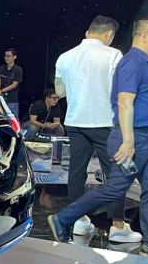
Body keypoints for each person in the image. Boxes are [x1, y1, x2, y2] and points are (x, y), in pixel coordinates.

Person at [49, 16, 148, 258]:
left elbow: (60, 90)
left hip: (83, 121)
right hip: (125, 133)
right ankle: (70, 219)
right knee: (115, 187)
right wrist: (128, 140)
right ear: (144, 35)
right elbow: (124, 101)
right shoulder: (126, 60)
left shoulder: (66, 57)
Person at [55, 15, 139, 243]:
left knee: (76, 173)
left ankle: (78, 221)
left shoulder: (65, 57)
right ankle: (118, 227)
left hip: (74, 122)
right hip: (105, 124)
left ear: (87, 32)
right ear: (109, 34)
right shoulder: (113, 55)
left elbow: (59, 91)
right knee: (117, 175)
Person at [0, 48, 23, 118]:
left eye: (9, 56)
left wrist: (1, 91)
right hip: (1, 97)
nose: (6, 58)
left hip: (12, 99)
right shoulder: (1, 68)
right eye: (5, 56)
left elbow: (14, 84)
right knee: (1, 118)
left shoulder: (18, 69)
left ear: (14, 57)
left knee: (13, 118)